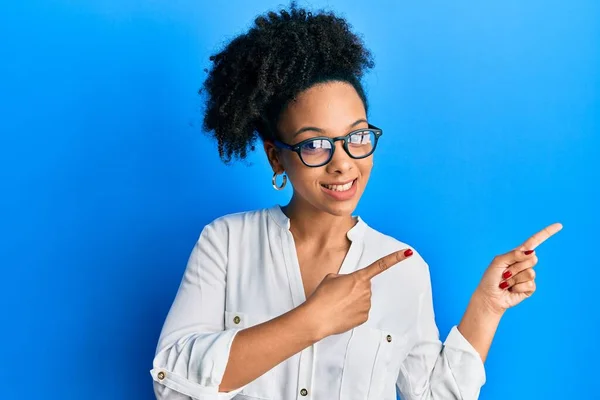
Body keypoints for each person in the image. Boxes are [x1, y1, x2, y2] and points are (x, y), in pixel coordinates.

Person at [150, 3, 562, 399]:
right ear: (276, 155)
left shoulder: (404, 266)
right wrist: (310, 322)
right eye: (315, 144)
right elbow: (170, 383)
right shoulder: (226, 243)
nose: (343, 164)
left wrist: (487, 307)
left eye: (357, 137)